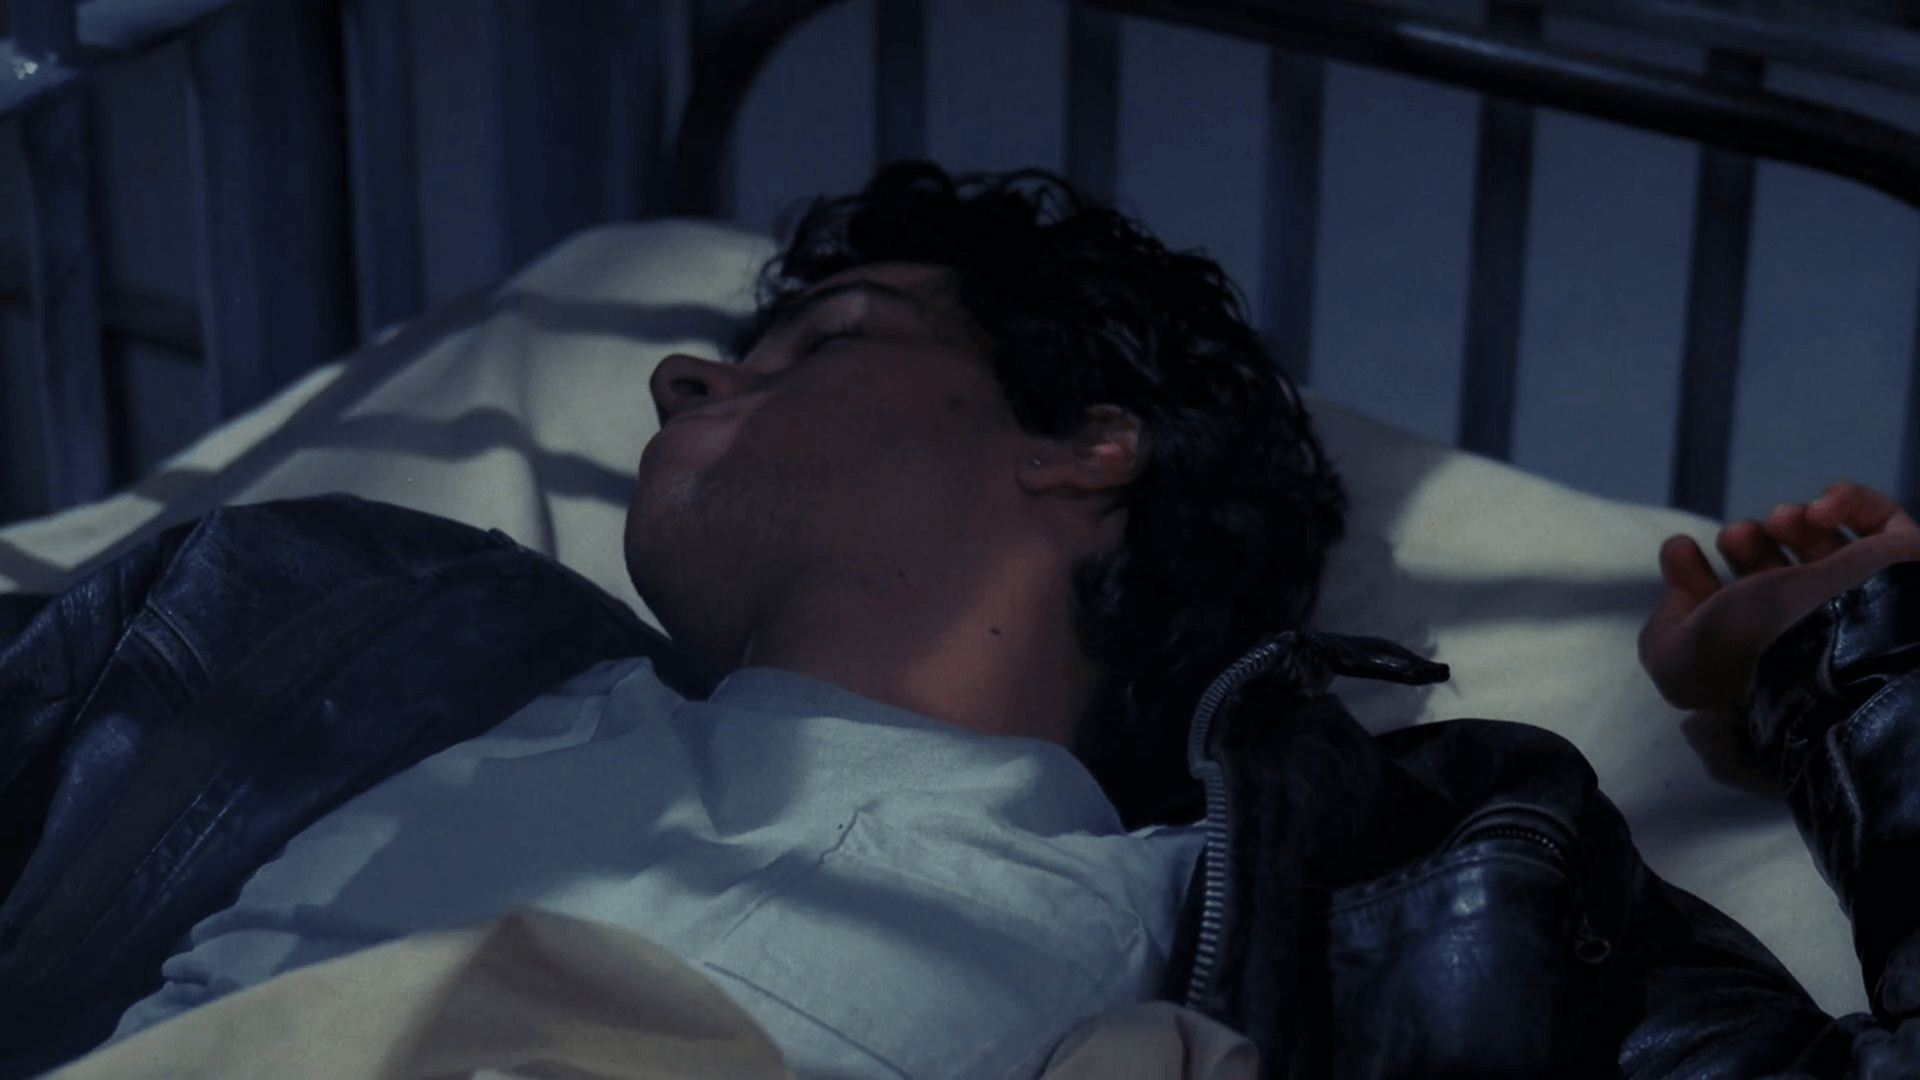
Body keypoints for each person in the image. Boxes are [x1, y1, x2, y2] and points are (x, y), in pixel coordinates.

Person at [2, 159, 1919, 1078]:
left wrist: (1846, 658)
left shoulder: (1419, 897)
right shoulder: (328, 616)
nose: (678, 375)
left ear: (1089, 446)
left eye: (820, 338)